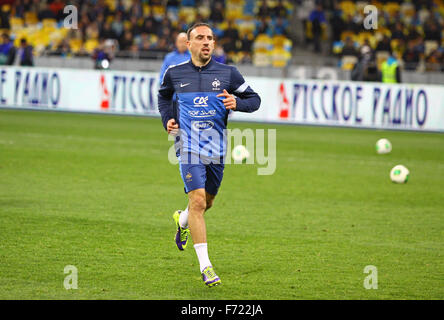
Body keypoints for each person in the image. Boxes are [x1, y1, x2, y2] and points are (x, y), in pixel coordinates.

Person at [157, 22, 261, 287]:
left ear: (214, 44)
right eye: (200, 38)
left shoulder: (228, 73)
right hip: (188, 146)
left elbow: (255, 99)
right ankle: (206, 267)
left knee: (207, 203)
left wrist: (238, 103)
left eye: (210, 38)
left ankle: (181, 219)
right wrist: (168, 119)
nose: (206, 42)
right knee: (199, 202)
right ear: (188, 44)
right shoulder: (175, 73)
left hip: (216, 148)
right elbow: (164, 97)